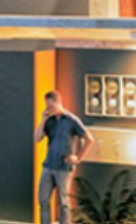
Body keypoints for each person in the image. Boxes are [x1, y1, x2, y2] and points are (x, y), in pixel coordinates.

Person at [34, 90, 94, 224]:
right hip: (48, 165)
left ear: (58, 103)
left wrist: (78, 158)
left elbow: (89, 139)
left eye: (51, 106)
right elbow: (37, 138)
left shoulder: (72, 120)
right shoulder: (49, 121)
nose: (48, 109)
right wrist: (43, 119)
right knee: (43, 200)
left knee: (63, 203)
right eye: (47, 106)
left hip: (64, 168)